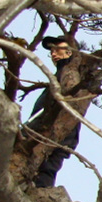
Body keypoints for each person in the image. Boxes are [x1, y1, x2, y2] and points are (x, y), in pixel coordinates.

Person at [29, 35, 81, 188]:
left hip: (57, 136)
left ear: (70, 52)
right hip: (37, 133)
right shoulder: (57, 78)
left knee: (44, 173)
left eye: (58, 49)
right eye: (51, 50)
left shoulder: (73, 75)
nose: (53, 53)